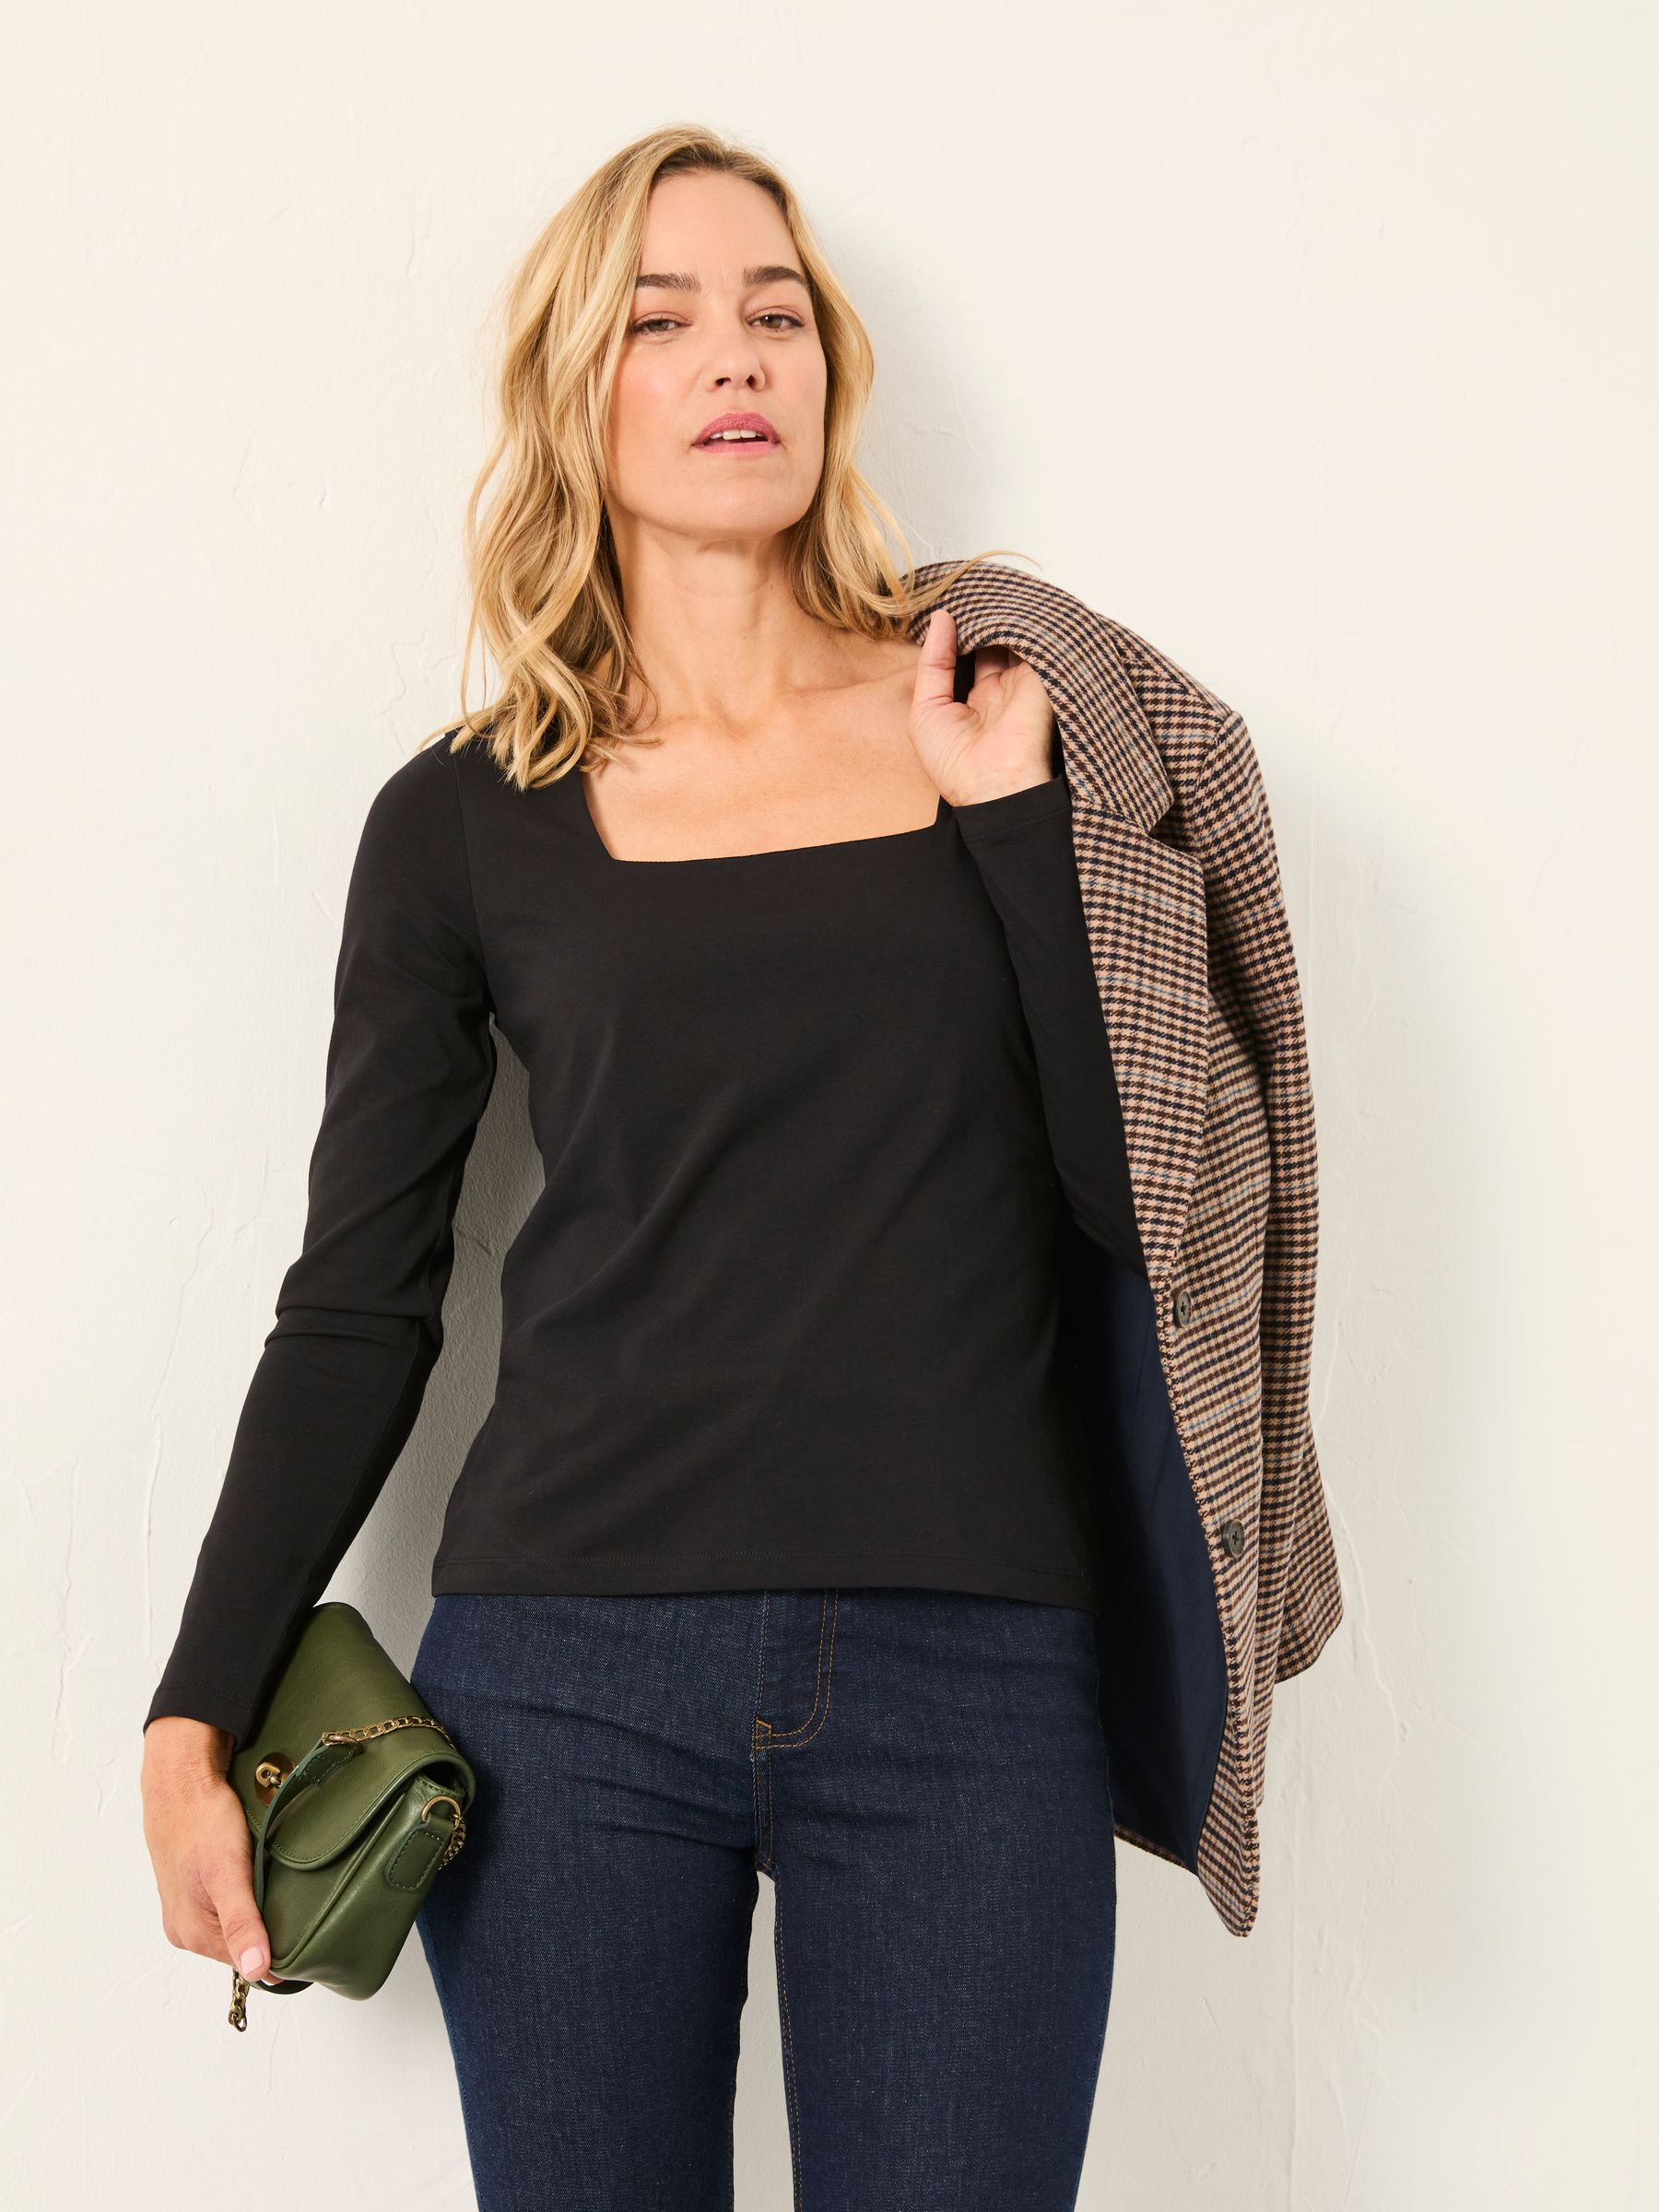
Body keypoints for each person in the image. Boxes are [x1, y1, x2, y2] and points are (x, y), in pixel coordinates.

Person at [141, 125, 1265, 2211]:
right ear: (579, 393)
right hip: (566, 1681)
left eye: (774, 312)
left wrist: (1016, 830)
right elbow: (359, 1302)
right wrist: (192, 1712)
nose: (733, 355)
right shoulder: (465, 818)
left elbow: (1148, 1220)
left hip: (969, 1673)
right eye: (659, 321)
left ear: (829, 369)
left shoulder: (1004, 726)